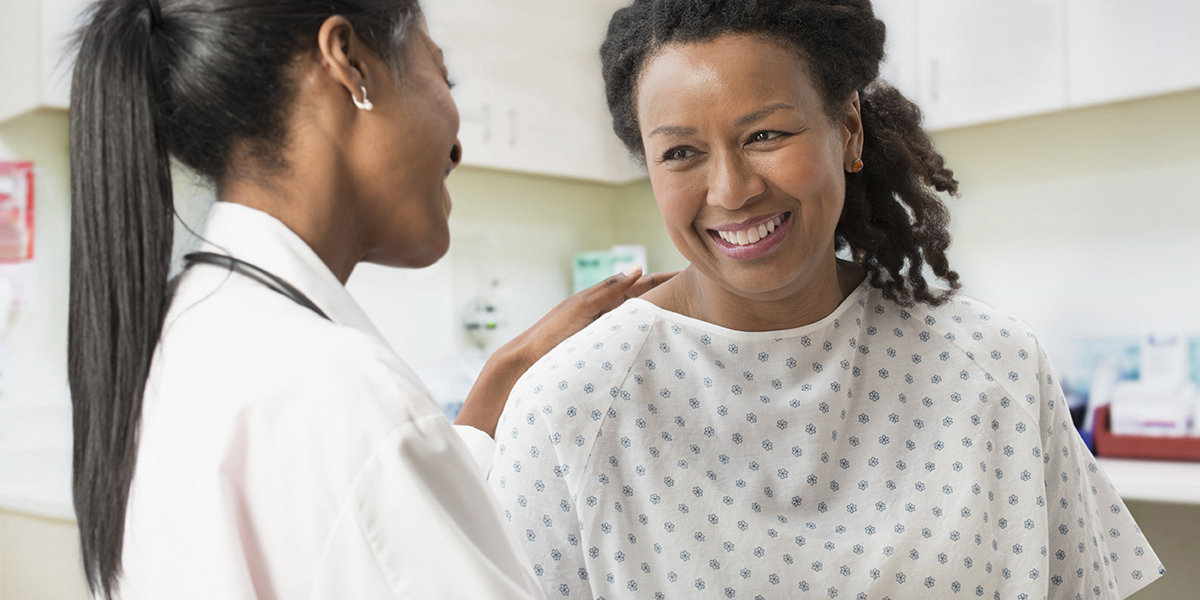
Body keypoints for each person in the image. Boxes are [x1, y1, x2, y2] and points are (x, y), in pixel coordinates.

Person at [488, 1, 1165, 599]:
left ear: (847, 129)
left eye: (765, 135)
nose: (731, 190)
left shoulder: (996, 368)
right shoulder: (566, 409)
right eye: (681, 153)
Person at [67, 1, 672, 598]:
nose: (457, 147)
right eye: (443, 77)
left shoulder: (182, 340)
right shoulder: (340, 392)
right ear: (349, 65)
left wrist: (504, 375)